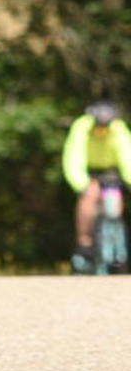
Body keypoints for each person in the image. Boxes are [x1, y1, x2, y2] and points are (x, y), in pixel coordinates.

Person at [64, 98, 131, 270]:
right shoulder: (82, 126)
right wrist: (81, 184)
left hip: (112, 171)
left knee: (115, 203)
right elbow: (73, 157)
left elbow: (127, 157)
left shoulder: (118, 128)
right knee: (89, 197)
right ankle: (84, 243)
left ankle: (118, 250)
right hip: (89, 172)